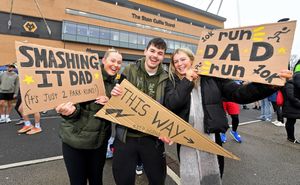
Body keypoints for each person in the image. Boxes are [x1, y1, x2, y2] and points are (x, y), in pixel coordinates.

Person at [163, 48, 289, 184]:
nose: (179, 64)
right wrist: (187, 81)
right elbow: (172, 104)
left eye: (183, 59)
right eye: (176, 61)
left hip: (212, 139)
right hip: (185, 140)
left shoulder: (212, 77)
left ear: (192, 59)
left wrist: (267, 85)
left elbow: (239, 93)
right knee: (190, 177)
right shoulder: (172, 82)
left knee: (213, 177)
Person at [56, 48, 125, 185]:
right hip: (75, 142)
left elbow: (118, 114)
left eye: (119, 62)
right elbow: (75, 107)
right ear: (103, 60)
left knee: (96, 180)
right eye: (112, 60)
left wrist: (111, 103)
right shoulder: (86, 76)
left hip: (99, 145)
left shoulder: (117, 85)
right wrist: (70, 112)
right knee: (78, 182)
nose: (116, 65)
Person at [111, 38, 168, 185]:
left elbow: (170, 105)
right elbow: (115, 92)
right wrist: (115, 91)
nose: (155, 56)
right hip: (126, 136)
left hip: (152, 138)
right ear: (145, 51)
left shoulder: (167, 77)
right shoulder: (129, 69)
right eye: (152, 51)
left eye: (160, 53)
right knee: (123, 179)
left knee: (158, 179)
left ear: (163, 57)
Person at [282, 67, 300, 144]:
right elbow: (291, 97)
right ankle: (291, 138)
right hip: (290, 106)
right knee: (290, 122)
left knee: (290, 122)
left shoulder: (293, 84)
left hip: (293, 106)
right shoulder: (289, 84)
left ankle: (290, 137)